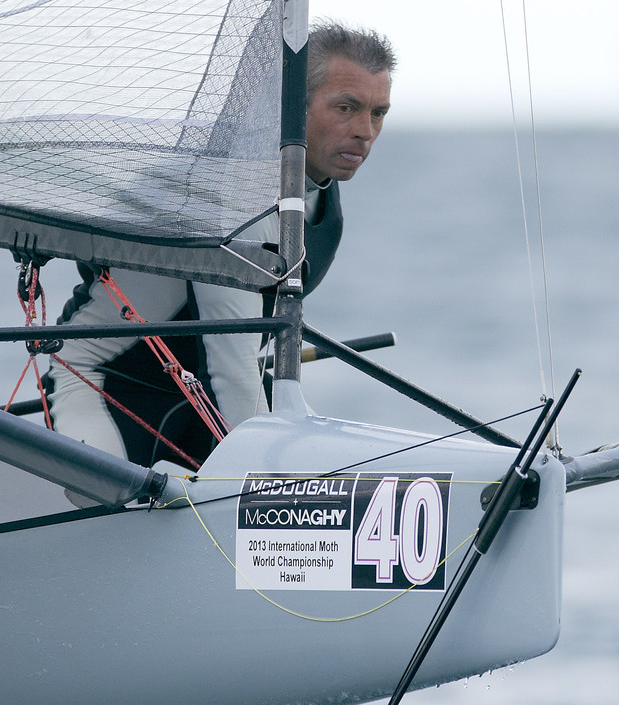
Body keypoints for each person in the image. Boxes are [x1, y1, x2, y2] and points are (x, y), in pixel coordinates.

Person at [47, 21, 396, 469]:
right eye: (346, 108)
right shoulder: (232, 194)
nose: (365, 131)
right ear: (292, 106)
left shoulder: (319, 195)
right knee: (110, 508)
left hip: (200, 394)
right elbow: (231, 370)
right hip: (103, 385)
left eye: (378, 113)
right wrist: (276, 490)